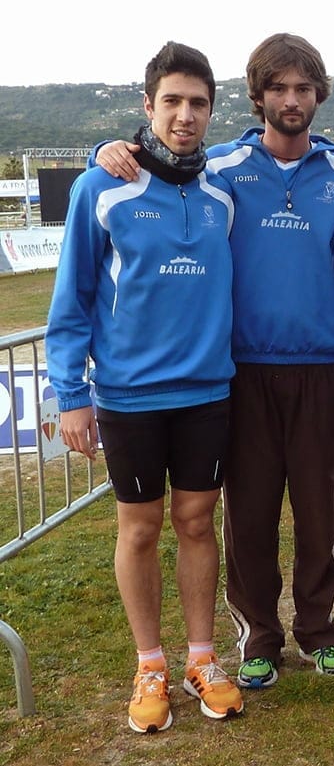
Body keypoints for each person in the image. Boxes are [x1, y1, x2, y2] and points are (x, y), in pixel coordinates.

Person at [93, 33, 334, 690]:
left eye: (303, 88)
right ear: (258, 95)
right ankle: (259, 637)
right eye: (278, 88)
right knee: (251, 510)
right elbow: (164, 160)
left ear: (318, 95)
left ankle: (320, 632)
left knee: (320, 507)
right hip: (241, 371)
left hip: (317, 368)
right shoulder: (222, 168)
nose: (291, 100)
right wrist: (113, 149)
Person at [45, 41, 244, 734]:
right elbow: (73, 299)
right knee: (140, 526)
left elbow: (293, 141)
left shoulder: (224, 189)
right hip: (128, 396)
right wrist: (69, 393)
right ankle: (150, 663)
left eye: (198, 103)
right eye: (172, 102)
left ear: (212, 110)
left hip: (208, 394)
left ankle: (201, 657)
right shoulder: (100, 186)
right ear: (148, 106)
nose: (185, 115)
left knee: (196, 522)